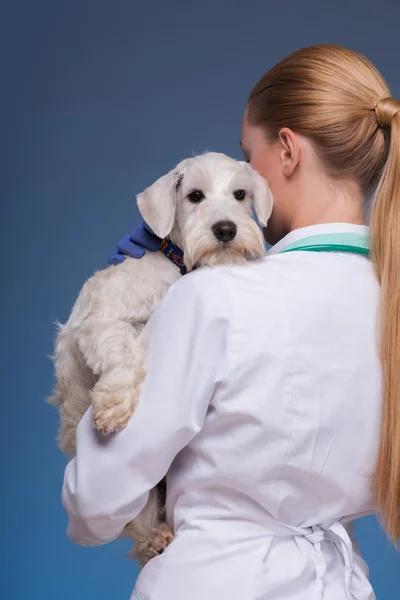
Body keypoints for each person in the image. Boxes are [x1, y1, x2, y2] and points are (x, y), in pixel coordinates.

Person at [61, 45, 400, 600]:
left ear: (287, 151)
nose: (248, 173)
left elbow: (94, 502)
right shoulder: (392, 300)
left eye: (249, 156)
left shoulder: (211, 297)